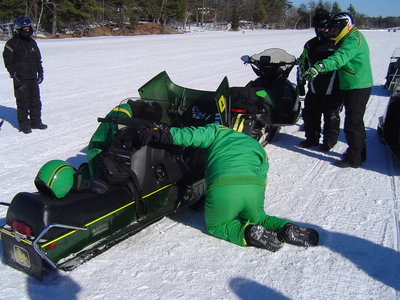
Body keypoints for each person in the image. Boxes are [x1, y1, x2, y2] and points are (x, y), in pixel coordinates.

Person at [138, 123, 319, 251]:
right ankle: (285, 228)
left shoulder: (216, 131)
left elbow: (189, 136)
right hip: (253, 188)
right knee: (260, 217)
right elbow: (263, 170)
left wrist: (165, 133)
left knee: (217, 225)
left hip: (223, 187)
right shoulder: (254, 144)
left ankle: (246, 233)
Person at [303, 12, 373, 168]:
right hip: (352, 84)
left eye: (334, 29)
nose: (332, 32)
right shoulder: (350, 37)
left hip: (357, 85)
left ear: (344, 26)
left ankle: (354, 159)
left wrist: (319, 67)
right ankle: (359, 154)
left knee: (353, 123)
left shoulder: (353, 39)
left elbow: (339, 58)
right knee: (356, 122)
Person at [298, 9, 343, 151]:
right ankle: (311, 139)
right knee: (310, 115)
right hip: (314, 88)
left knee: (331, 117)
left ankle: (329, 142)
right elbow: (302, 63)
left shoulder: (338, 44)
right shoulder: (310, 45)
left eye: (324, 27)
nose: (321, 30)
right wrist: (300, 82)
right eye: (318, 27)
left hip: (334, 89)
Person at [87, 99, 162, 178]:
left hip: (113, 151)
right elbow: (123, 131)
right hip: (99, 151)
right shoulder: (122, 113)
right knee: (101, 183)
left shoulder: (137, 110)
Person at [3, 15, 46, 134]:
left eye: (28, 27)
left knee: (36, 102)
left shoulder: (32, 42)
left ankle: (36, 122)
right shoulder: (12, 44)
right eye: (24, 28)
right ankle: (24, 125)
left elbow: (38, 59)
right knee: (23, 103)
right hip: (20, 78)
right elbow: (8, 61)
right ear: (18, 28)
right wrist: (14, 74)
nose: (27, 29)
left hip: (32, 77)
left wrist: (40, 72)